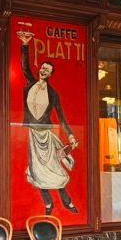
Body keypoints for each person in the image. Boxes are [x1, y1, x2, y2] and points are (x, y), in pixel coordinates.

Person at [18, 32, 78, 214]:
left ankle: (66, 201)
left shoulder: (53, 94)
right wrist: (25, 45)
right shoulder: (30, 83)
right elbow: (24, 66)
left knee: (52, 168)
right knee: (37, 170)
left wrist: (70, 134)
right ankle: (48, 204)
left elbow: (61, 116)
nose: (44, 71)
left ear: (51, 74)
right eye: (42, 68)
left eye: (47, 70)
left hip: (46, 133)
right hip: (32, 133)